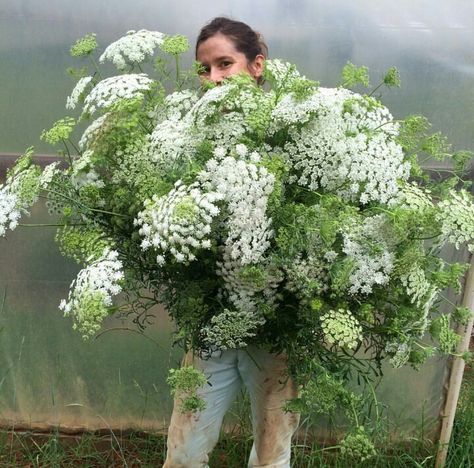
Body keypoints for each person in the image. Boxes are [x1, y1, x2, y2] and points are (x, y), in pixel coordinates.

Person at [163, 17, 300, 468]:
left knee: (272, 452)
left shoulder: (293, 131)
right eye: (205, 69)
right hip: (213, 317)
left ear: (257, 65)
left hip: (275, 325)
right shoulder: (189, 138)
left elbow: (315, 230)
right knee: (183, 449)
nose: (214, 78)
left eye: (225, 64)